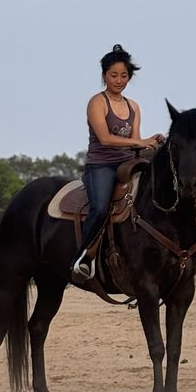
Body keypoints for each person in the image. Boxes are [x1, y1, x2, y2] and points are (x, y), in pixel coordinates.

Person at [71, 44, 164, 280]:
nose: (119, 80)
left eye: (124, 76)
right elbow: (105, 138)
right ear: (104, 75)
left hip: (127, 163)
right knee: (100, 207)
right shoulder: (97, 102)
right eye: (114, 75)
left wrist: (150, 143)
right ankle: (82, 257)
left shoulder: (134, 106)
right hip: (100, 165)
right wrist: (141, 142)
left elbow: (134, 140)